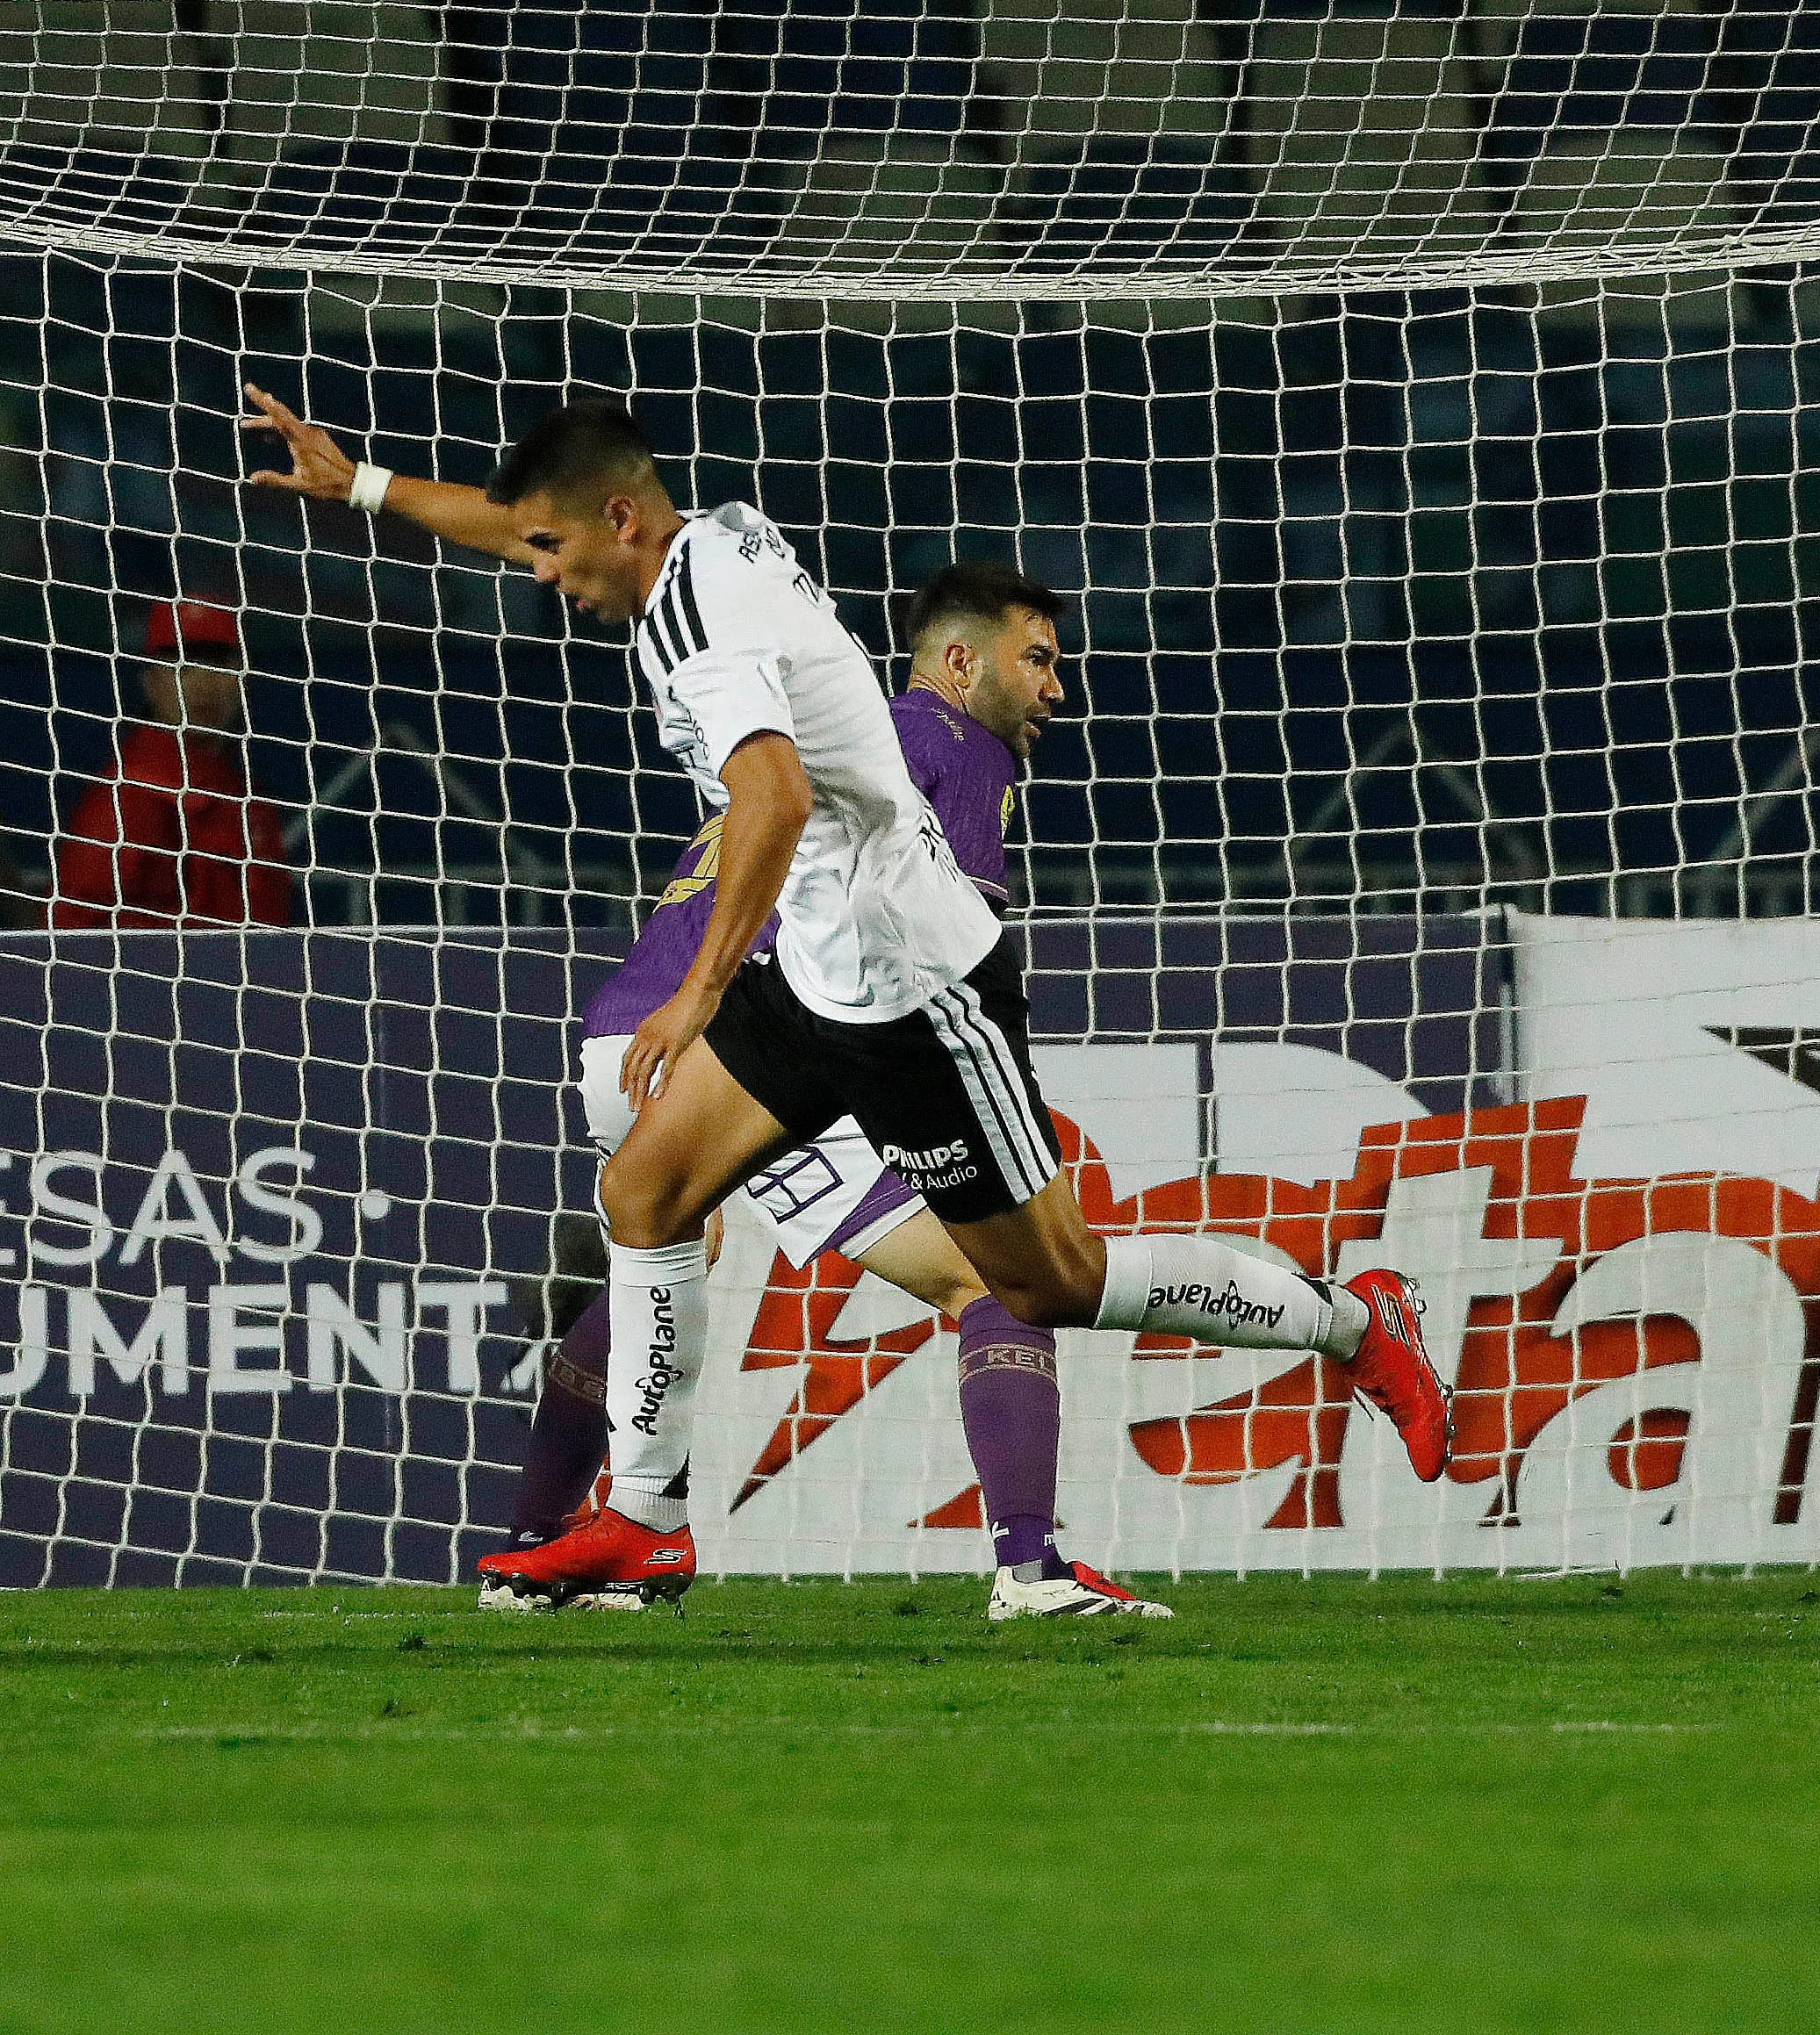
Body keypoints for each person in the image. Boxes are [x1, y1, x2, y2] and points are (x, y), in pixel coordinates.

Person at [242, 390, 1455, 1610]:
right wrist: (360, 488)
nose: (540, 574)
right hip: (815, 973)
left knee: (1048, 1284)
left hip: (909, 987)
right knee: (644, 1193)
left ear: (620, 520)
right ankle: (643, 1518)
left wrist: (691, 1001)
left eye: (555, 551)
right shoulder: (716, 532)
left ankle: (1350, 1323)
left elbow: (767, 798)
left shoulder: (693, 635)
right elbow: (523, 529)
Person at [488, 560, 1170, 1621]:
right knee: (992, 1279)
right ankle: (1032, 1570)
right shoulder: (950, 738)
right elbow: (945, 942)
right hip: (736, 1027)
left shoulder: (816, 729)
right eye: (1036, 659)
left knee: (667, 1244)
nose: (1054, 689)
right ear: (958, 660)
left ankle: (539, 1548)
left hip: (625, 1025)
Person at [51, 600, 294, 929]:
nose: (204, 683)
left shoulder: (244, 792)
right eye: (185, 665)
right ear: (151, 684)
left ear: (243, 682)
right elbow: (75, 934)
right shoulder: (128, 799)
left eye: (219, 664)